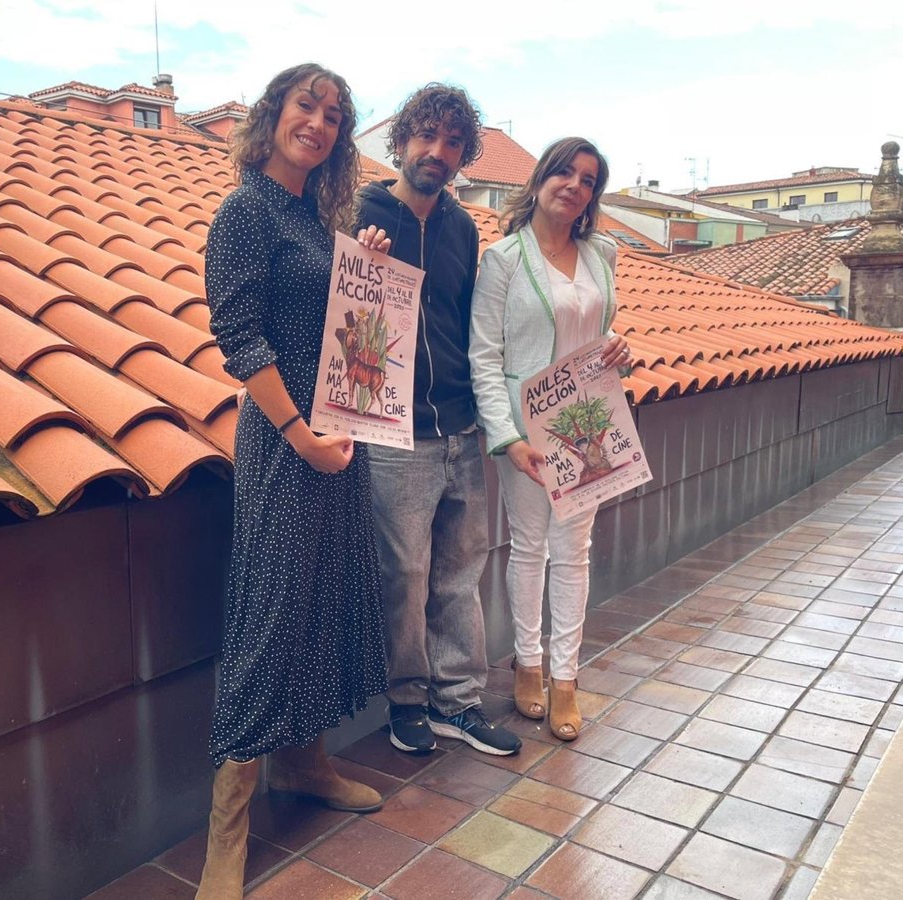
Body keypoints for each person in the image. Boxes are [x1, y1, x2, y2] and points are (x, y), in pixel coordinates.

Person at [196, 63, 392, 900]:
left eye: (334, 115)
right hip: (286, 442)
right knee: (271, 615)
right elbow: (240, 338)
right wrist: (300, 437)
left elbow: (343, 330)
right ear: (274, 113)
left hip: (339, 435)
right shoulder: (244, 211)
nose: (318, 122)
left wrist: (364, 269)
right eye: (306, 105)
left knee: (323, 597)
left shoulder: (317, 219)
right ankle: (227, 831)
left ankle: (305, 765)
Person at [354, 84, 522, 758]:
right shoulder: (359, 214)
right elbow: (338, 320)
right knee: (404, 575)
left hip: (461, 426)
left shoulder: (462, 227)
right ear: (401, 141)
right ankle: (407, 703)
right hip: (393, 433)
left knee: (459, 572)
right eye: (426, 136)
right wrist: (358, 261)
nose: (438, 152)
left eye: (453, 142)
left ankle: (459, 702)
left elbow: (467, 322)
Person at [468, 137, 632, 742]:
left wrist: (619, 349)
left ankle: (566, 677)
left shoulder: (602, 254)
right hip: (527, 431)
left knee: (574, 551)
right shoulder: (503, 260)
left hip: (587, 423)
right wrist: (507, 437)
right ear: (540, 180)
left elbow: (595, 331)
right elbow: (484, 357)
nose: (574, 186)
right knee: (529, 547)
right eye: (565, 172)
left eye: (588, 180)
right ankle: (528, 664)